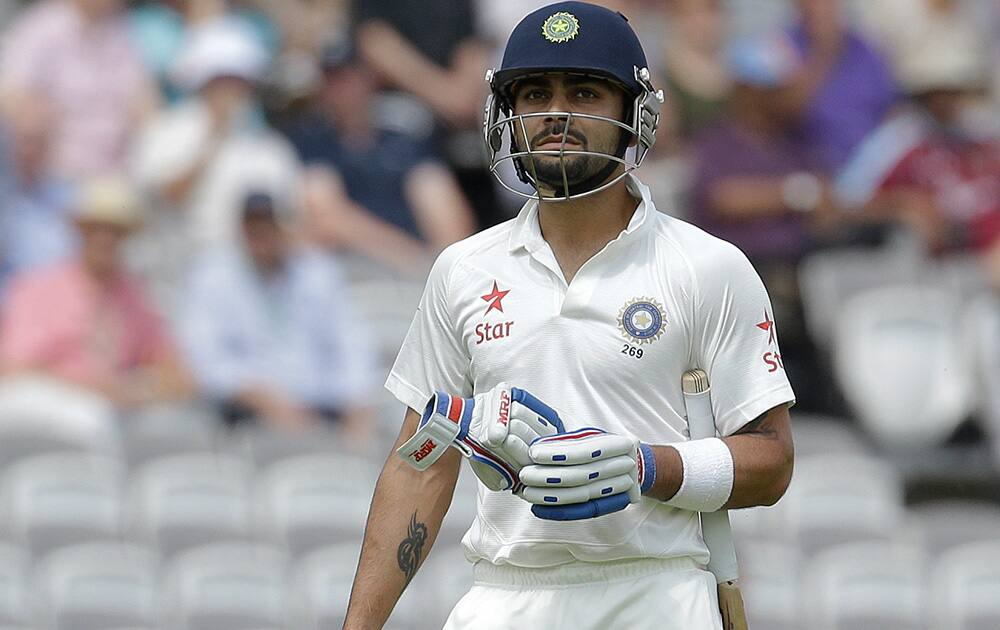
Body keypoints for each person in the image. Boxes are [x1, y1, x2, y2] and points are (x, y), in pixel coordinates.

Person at [344, 3, 795, 629]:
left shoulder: (707, 266)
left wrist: (647, 466)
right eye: (535, 93)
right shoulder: (463, 269)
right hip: (504, 594)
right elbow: (419, 464)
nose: (557, 113)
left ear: (634, 113)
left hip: (657, 592)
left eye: (584, 91)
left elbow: (772, 462)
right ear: (507, 115)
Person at [689, 31, 840, 413]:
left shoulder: (794, 145)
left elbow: (828, 204)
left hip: (803, 268)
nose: (788, 95)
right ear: (748, 91)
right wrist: (792, 195)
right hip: (741, 277)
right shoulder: (719, 144)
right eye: (775, 87)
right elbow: (723, 199)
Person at [177, 191, 377, 441]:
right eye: (253, 226)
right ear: (240, 229)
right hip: (246, 416)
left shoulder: (318, 272)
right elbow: (203, 358)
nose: (261, 236)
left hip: (322, 410)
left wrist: (357, 407)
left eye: (268, 226)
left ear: (286, 228)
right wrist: (260, 396)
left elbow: (351, 342)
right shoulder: (213, 275)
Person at [0, 176, 192, 409]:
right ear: (82, 231)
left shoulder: (131, 294)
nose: (106, 238)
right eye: (97, 228)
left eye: (115, 231)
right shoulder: (38, 289)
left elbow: (170, 364)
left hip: (111, 412)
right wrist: (91, 387)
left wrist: (148, 386)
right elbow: (13, 367)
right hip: (50, 409)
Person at [286, 43, 475, 276]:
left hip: (415, 274)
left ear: (368, 79)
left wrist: (442, 268)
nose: (342, 88)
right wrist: (408, 257)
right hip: (349, 270)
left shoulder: (404, 137)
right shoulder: (312, 142)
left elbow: (444, 210)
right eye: (333, 79)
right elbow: (327, 217)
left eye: (349, 77)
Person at [0, 0, 158, 182]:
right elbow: (12, 98)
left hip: (119, 173)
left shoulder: (122, 29)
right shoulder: (42, 28)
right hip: (56, 176)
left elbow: (144, 102)